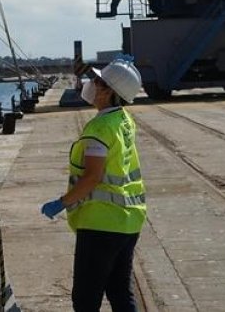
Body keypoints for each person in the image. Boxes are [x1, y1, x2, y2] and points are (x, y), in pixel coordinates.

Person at [41, 58, 146, 312]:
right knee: (120, 292)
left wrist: (62, 203)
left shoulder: (99, 128)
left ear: (109, 91)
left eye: (98, 81)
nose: (92, 84)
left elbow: (93, 177)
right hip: (129, 220)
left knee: (86, 299)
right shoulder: (123, 120)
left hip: (101, 224)